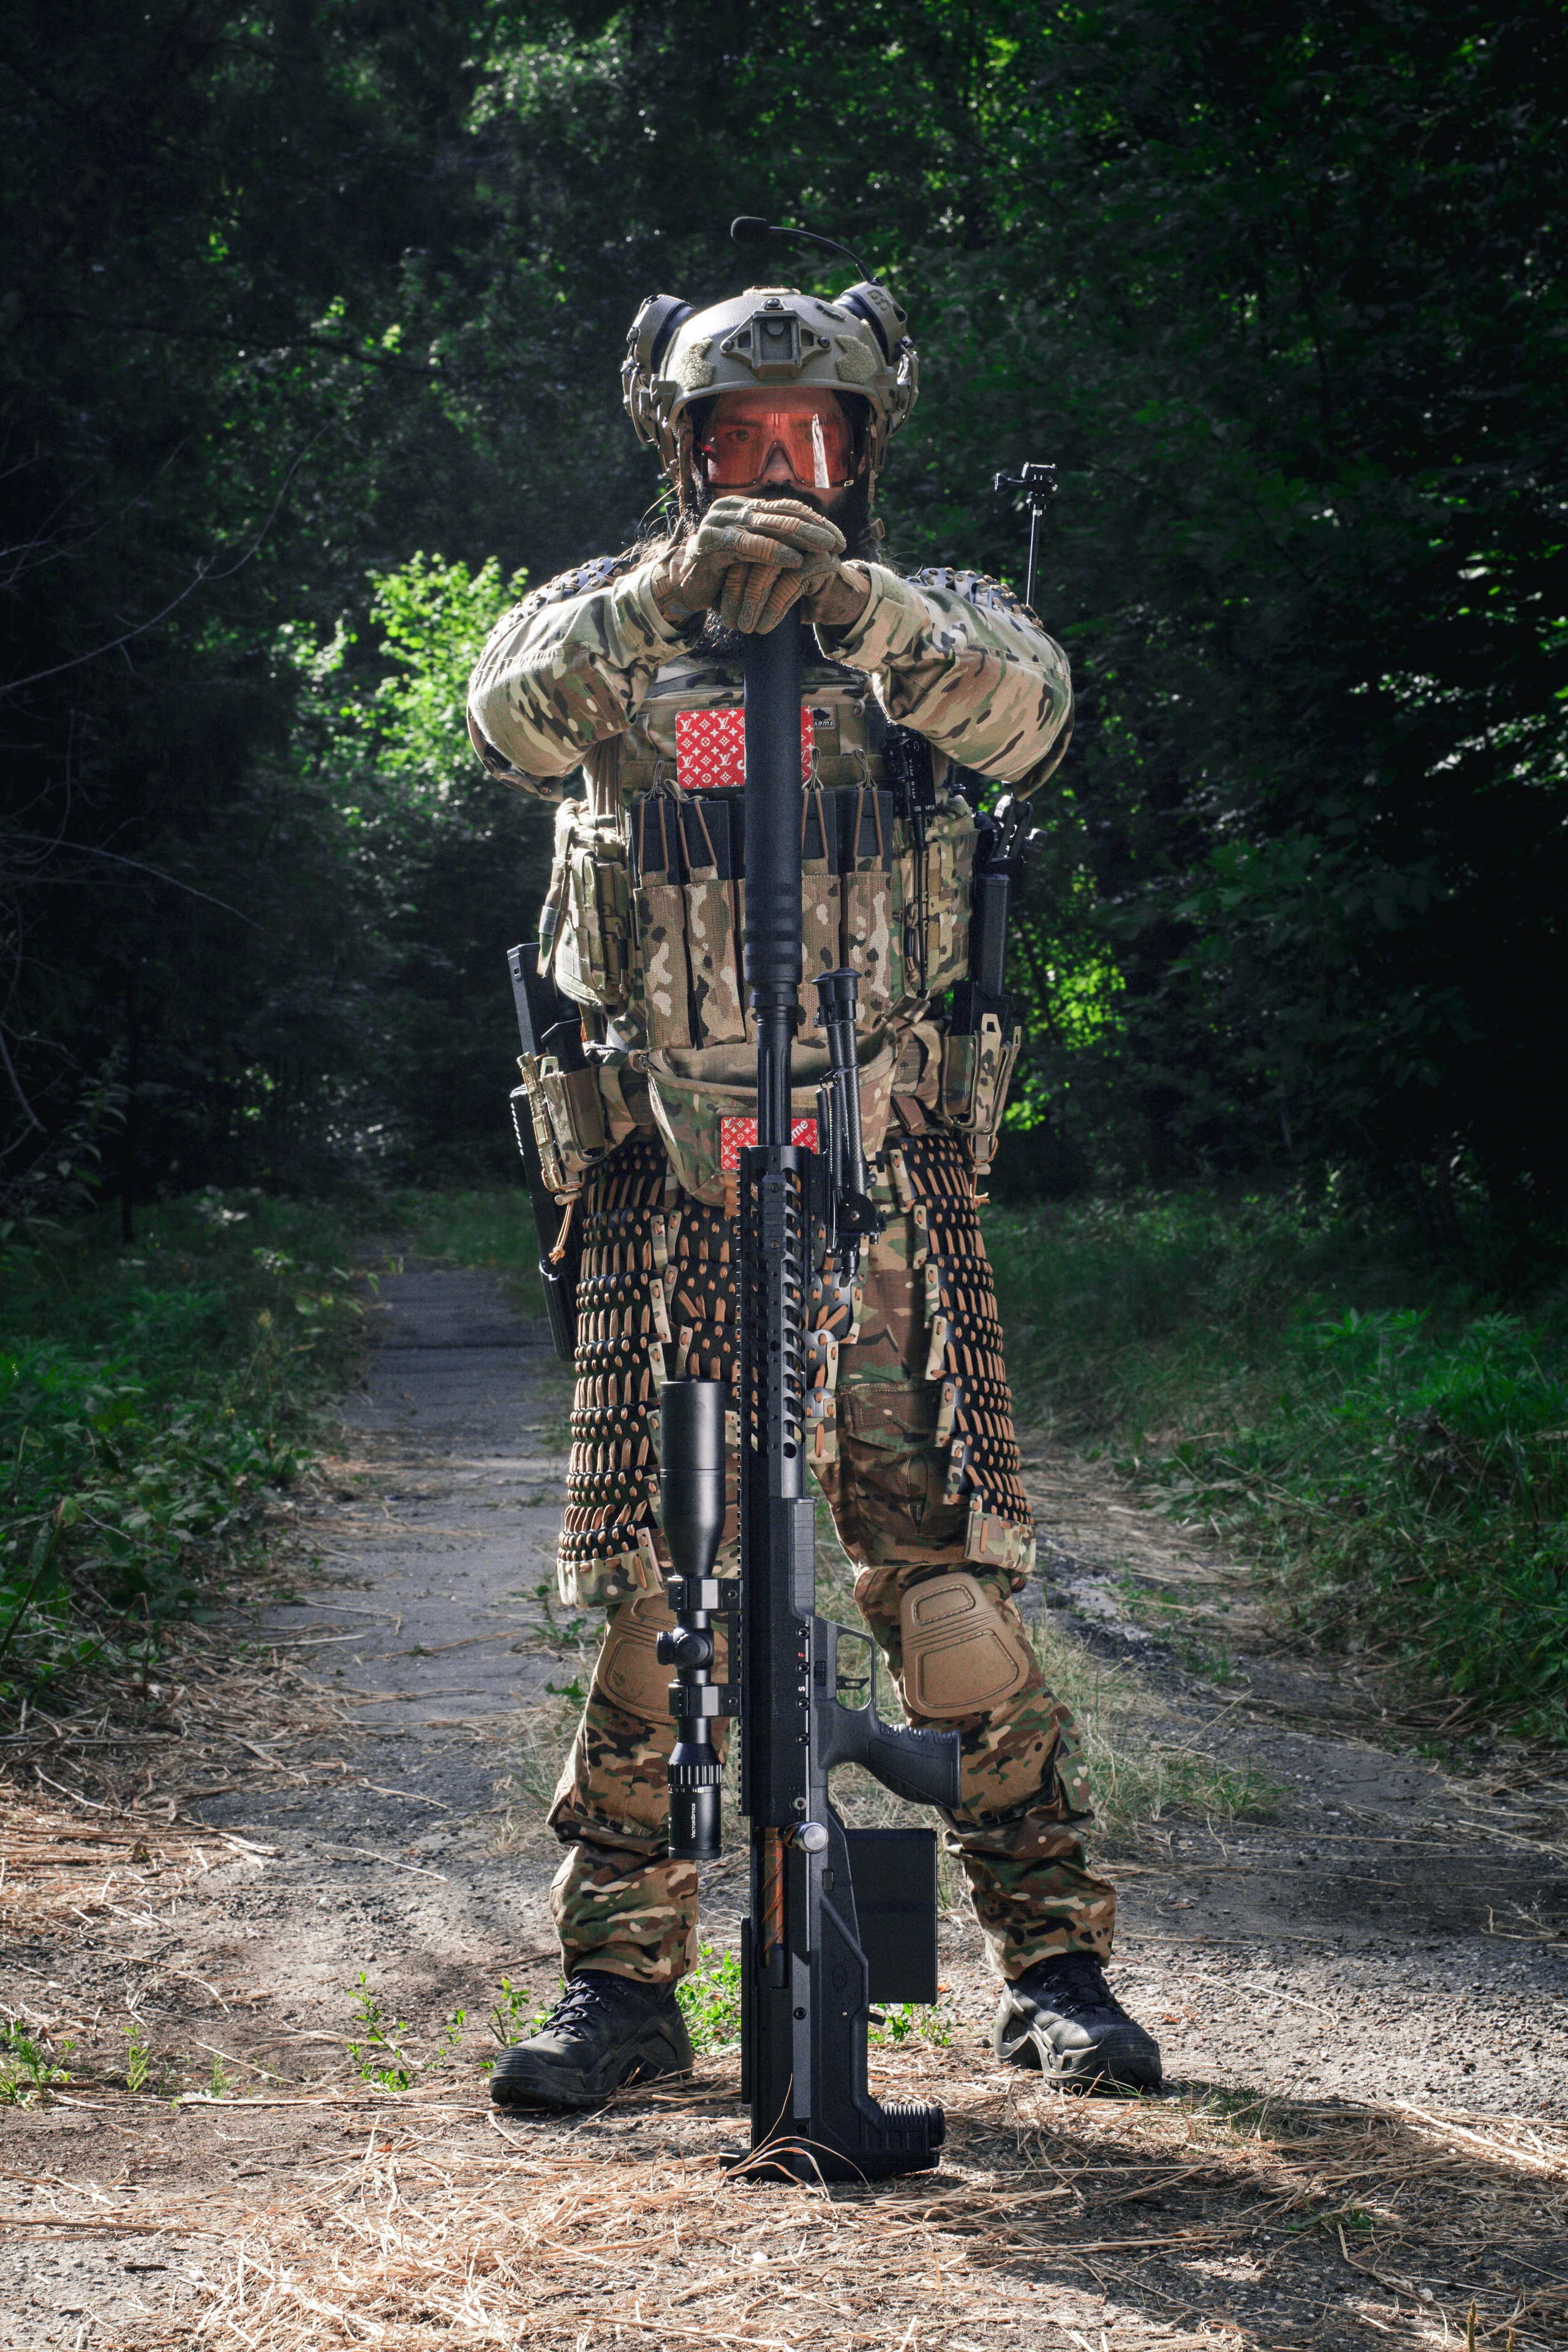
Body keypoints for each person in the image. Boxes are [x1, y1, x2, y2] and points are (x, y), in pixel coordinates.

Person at [466, 269, 1162, 2110]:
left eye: (809, 440)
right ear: (680, 452)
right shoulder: (610, 632)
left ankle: (1058, 1960)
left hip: (878, 1178)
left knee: (948, 1593)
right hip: (670, 1185)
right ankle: (623, 1987)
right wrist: (660, 603)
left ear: (860, 454)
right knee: (658, 1587)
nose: (773, 470)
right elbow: (512, 721)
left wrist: (858, 615)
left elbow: (1029, 716)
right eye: (737, 441)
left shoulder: (930, 630)